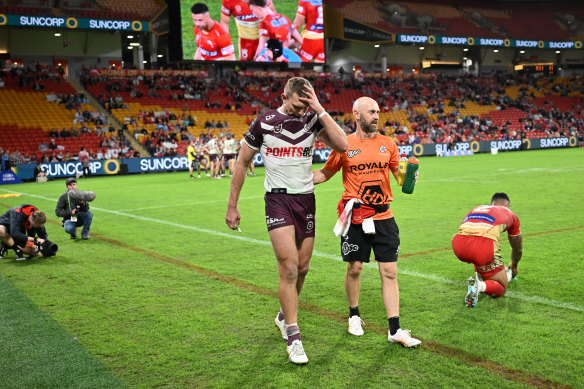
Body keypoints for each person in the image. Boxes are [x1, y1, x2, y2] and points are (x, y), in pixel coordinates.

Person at [225, 77, 348, 364]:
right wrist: (232, 206)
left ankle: (283, 316)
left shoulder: (311, 119)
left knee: (303, 267)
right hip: (278, 200)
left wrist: (319, 109)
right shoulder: (264, 122)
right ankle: (294, 336)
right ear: (284, 96)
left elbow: (342, 145)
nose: (300, 109)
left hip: (306, 200)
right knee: (289, 268)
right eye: (297, 103)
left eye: (306, 103)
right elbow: (242, 163)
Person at [313, 97, 422, 348]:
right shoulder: (344, 144)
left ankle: (394, 329)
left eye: (378, 112)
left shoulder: (388, 144)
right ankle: (354, 316)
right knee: (355, 269)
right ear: (356, 115)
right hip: (356, 218)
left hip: (384, 217)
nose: (376, 116)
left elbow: (399, 178)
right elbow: (324, 174)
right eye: (371, 112)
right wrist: (298, 181)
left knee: (390, 272)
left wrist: (409, 178)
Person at [452, 192, 523, 308]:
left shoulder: (478, 208)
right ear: (508, 205)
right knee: (501, 287)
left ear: (492, 203)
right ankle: (478, 286)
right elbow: (517, 248)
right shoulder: (511, 214)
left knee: (480, 255)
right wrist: (514, 265)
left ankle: (481, 275)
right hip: (482, 248)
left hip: (458, 244)